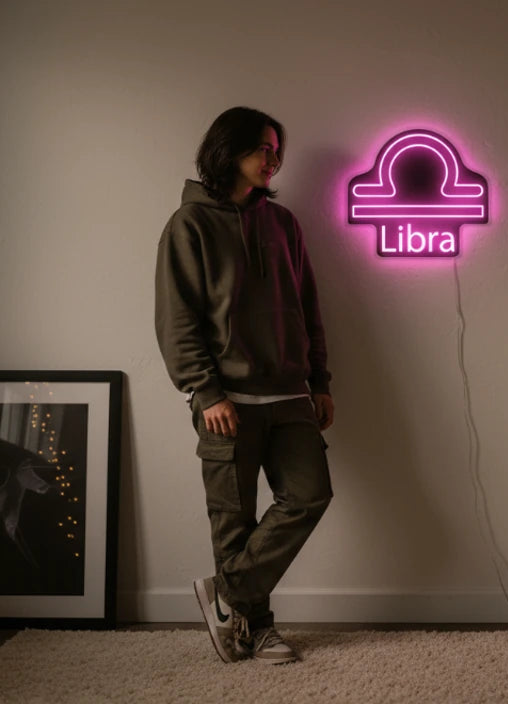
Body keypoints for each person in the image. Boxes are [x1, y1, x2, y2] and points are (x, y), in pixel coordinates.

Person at [155, 106, 335, 665]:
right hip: (226, 401)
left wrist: (320, 379)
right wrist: (205, 391)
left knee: (309, 495)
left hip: (289, 394)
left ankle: (227, 596)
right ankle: (258, 629)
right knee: (233, 523)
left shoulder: (283, 225)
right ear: (228, 149)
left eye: (277, 149)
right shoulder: (189, 225)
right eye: (263, 148)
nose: (272, 159)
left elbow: (308, 307)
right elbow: (177, 316)